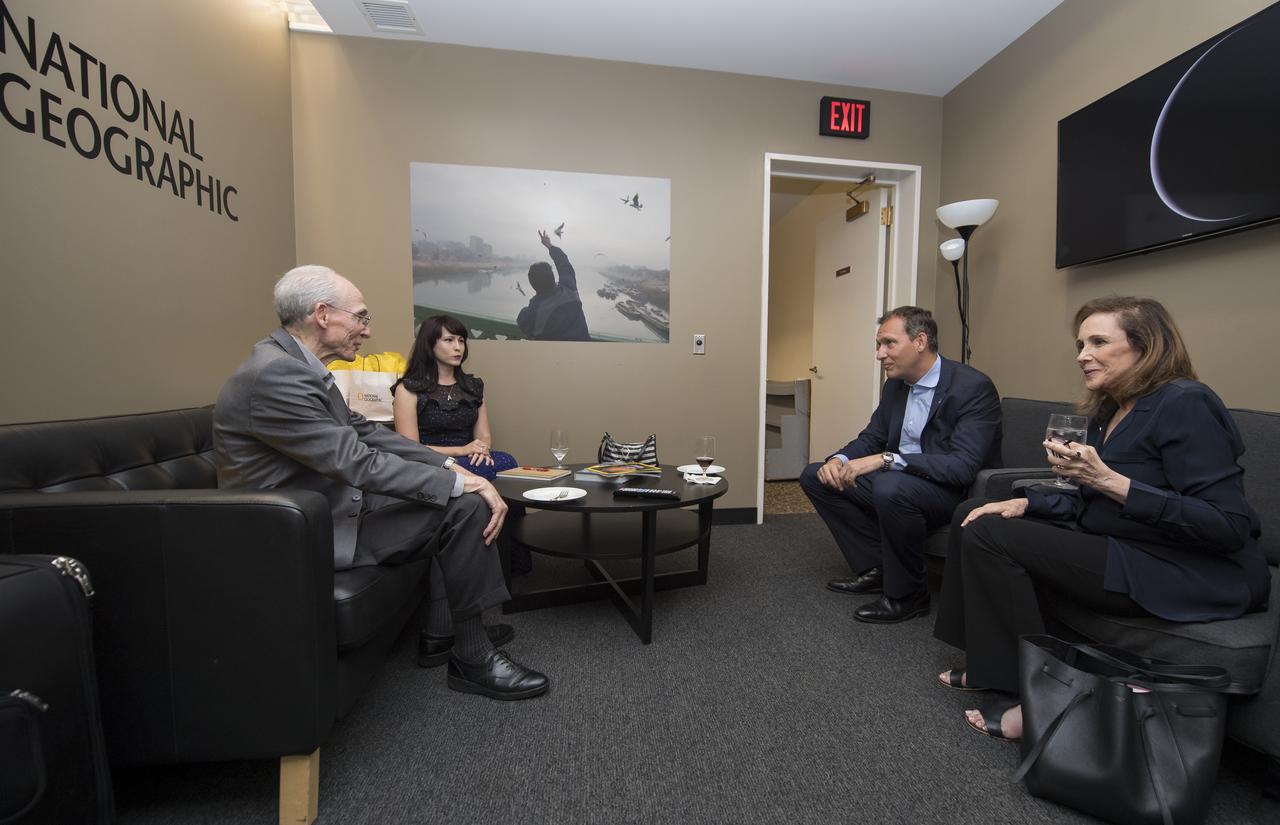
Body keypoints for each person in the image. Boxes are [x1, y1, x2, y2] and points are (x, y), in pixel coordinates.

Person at [934, 296, 1269, 741]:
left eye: (1098, 342)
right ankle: (985, 659)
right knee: (971, 513)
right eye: (1079, 344)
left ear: (1145, 347)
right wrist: (1027, 503)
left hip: (1182, 566)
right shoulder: (1109, 409)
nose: (1082, 355)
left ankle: (1032, 696)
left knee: (992, 536)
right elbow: (1085, 500)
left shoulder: (1186, 403)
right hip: (1120, 542)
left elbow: (1226, 526)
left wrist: (1112, 482)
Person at [213, 265, 550, 700]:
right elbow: (357, 461)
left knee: (467, 504)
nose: (366, 331)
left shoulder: (300, 365)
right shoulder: (277, 374)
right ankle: (471, 653)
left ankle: (465, 644)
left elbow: (368, 432)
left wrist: (452, 471)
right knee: (464, 503)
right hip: (297, 535)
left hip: (330, 511)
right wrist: (457, 483)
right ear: (322, 314)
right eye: (360, 317)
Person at [799, 306, 1002, 623]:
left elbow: (962, 466)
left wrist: (887, 459)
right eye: (878, 345)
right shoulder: (895, 385)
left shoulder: (971, 388)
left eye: (889, 344)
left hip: (949, 490)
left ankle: (908, 595)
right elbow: (872, 437)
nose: (880, 354)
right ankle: (877, 567)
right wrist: (838, 460)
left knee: (889, 484)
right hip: (898, 480)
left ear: (920, 341)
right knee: (816, 475)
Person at [392, 314, 519, 481]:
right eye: (449, 340)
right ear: (430, 345)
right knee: (479, 472)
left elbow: (484, 435)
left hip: (469, 457)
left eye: (461, 340)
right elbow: (411, 449)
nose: (458, 347)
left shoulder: (473, 386)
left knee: (508, 463)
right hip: (430, 461)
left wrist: (482, 450)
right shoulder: (408, 389)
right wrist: (461, 450)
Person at [516, 230, 591, 341]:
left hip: (551, 357)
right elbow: (564, 263)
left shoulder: (532, 314)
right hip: (583, 353)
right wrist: (549, 245)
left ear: (533, 285)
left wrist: (533, 304)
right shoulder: (569, 289)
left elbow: (523, 323)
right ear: (553, 277)